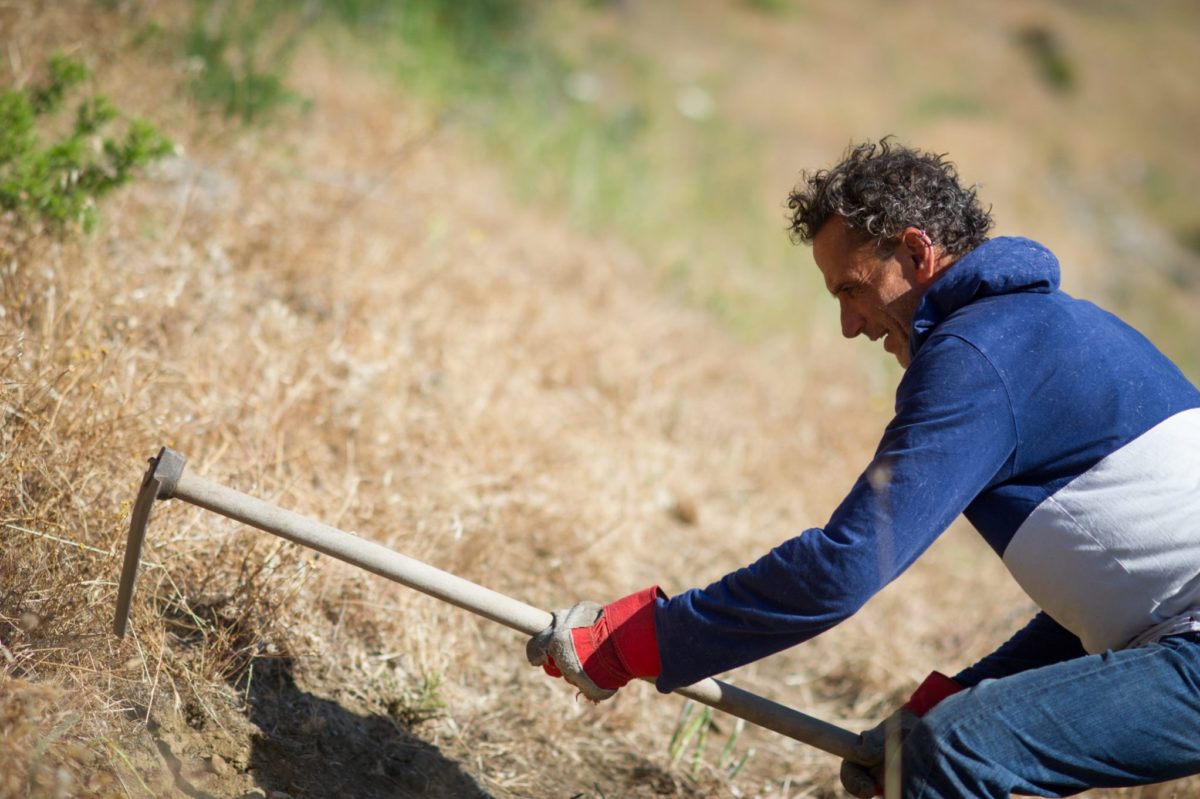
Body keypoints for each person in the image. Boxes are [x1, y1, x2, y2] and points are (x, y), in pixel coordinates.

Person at [526, 138, 1200, 798]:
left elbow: (843, 568)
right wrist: (950, 700)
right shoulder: (1059, 329)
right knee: (943, 744)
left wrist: (639, 639)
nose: (851, 325)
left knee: (954, 756)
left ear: (916, 251)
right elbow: (1111, 599)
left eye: (853, 289)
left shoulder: (979, 355)